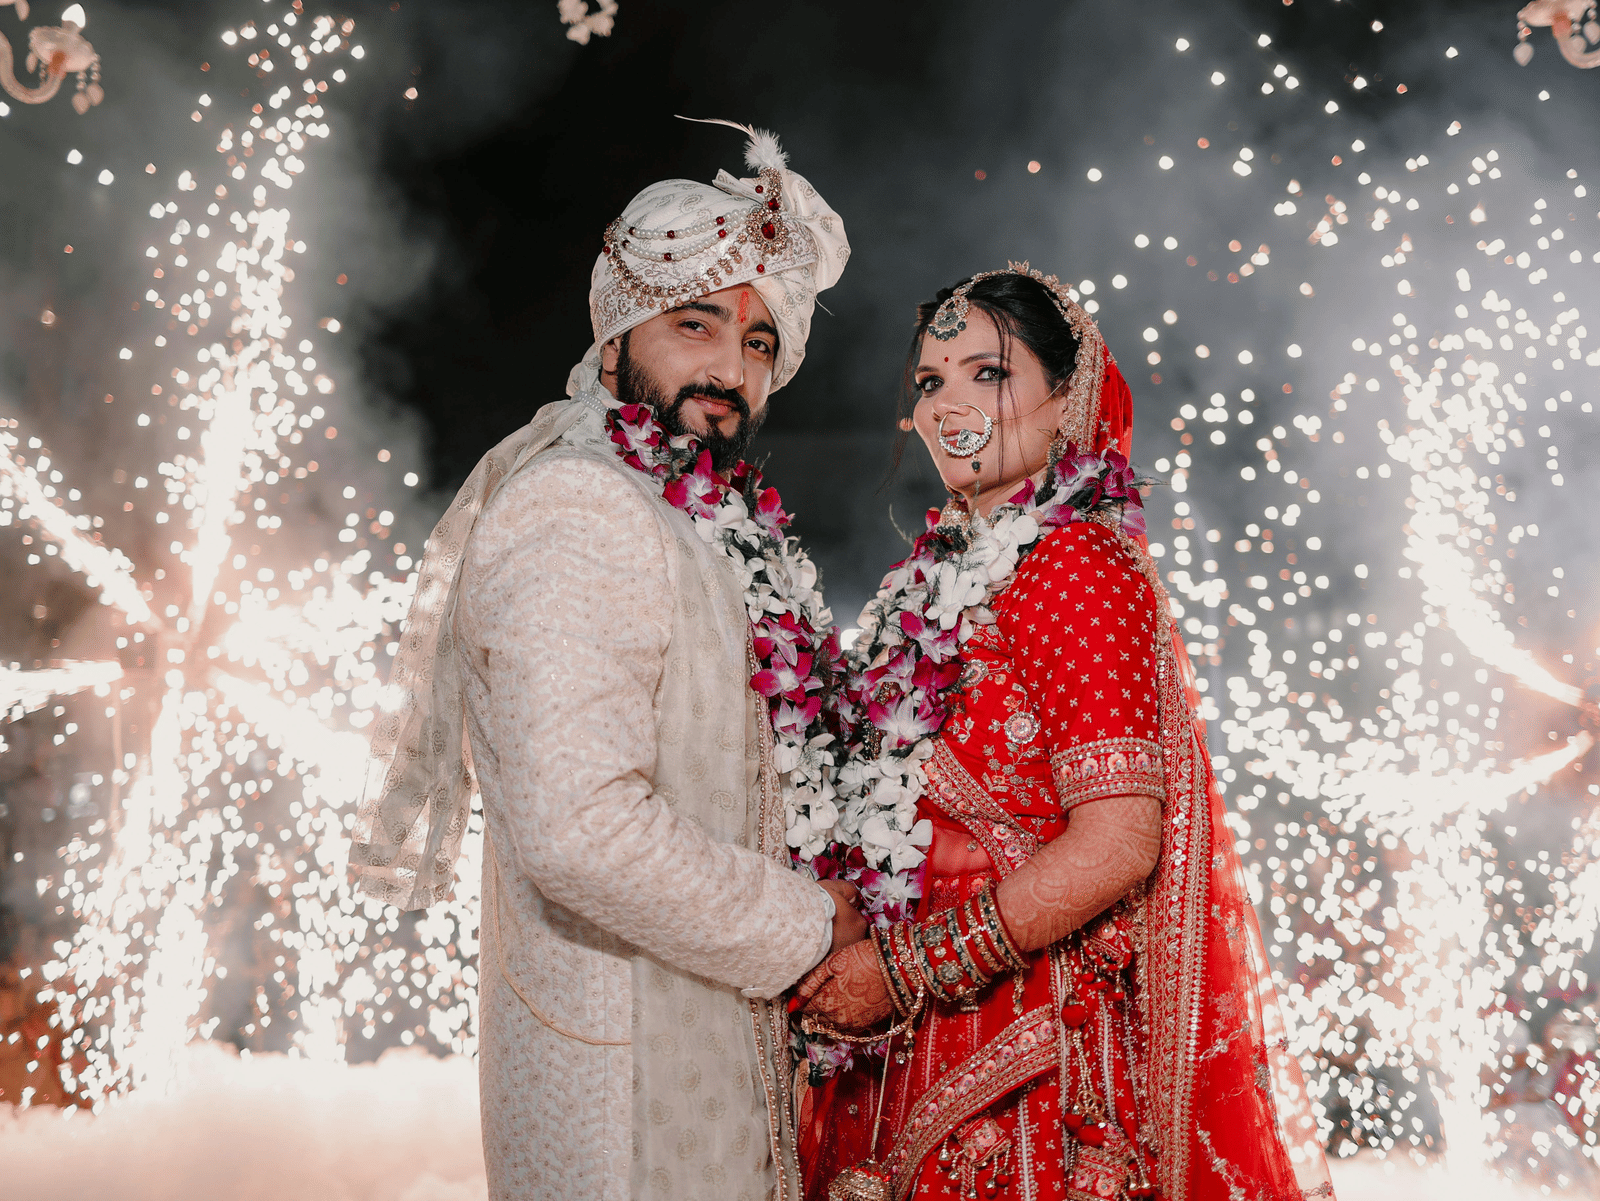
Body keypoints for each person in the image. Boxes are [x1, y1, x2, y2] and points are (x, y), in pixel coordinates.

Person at [349, 124, 866, 1201]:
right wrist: (811, 927)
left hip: (708, 1050)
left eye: (762, 343)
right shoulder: (579, 503)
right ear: (619, 331)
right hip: (623, 1097)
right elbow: (579, 826)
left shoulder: (692, 517)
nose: (731, 366)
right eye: (696, 324)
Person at [794, 265, 1334, 1201]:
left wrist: (908, 965)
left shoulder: (1074, 562)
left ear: (1064, 400)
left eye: (988, 373)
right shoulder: (935, 581)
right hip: (898, 1034)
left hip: (1022, 1055)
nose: (951, 402)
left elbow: (1121, 838)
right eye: (930, 381)